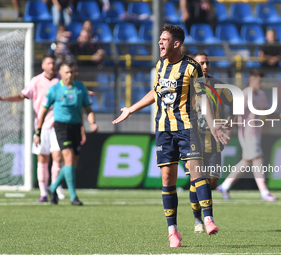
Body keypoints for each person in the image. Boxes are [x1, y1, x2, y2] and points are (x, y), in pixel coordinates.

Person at [113, 24, 226, 247]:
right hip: (164, 130)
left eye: (164, 39)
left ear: (176, 43)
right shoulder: (160, 65)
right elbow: (155, 93)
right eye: (159, 39)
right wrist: (130, 109)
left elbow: (203, 98)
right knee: (167, 179)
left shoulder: (192, 67)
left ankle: (208, 218)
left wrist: (213, 126)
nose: (159, 43)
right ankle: (173, 231)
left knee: (197, 172)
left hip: (187, 128)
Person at [216, 69, 281, 201]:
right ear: (252, 79)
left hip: (256, 133)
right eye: (260, 81)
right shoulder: (245, 94)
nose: (262, 83)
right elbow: (235, 114)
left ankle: (225, 185)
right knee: (258, 158)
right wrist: (228, 133)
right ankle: (264, 192)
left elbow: (266, 112)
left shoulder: (262, 95)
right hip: (247, 133)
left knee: (247, 161)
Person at [0, 54, 65, 202]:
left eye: (53, 63)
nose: (51, 66)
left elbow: (72, 90)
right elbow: (23, 95)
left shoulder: (61, 79)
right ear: (43, 65)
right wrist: (5, 98)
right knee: (43, 159)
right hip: (41, 126)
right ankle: (43, 193)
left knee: (58, 157)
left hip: (59, 125)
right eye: (48, 63)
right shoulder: (36, 81)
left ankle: (55, 188)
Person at [34, 61, 98, 206]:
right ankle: (73, 197)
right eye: (67, 72)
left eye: (72, 72)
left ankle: (52, 187)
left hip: (76, 127)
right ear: (61, 73)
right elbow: (43, 110)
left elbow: (88, 109)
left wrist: (92, 123)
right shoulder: (54, 89)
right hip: (61, 127)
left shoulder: (80, 88)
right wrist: (38, 132)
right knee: (68, 159)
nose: (70, 75)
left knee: (72, 164)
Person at [189, 52, 233, 233]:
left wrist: (229, 122)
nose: (205, 66)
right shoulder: (187, 85)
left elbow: (235, 103)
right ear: (194, 65)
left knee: (212, 182)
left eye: (207, 63)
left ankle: (201, 204)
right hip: (193, 139)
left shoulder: (218, 85)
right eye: (201, 63)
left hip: (214, 140)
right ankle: (199, 220)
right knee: (198, 178)